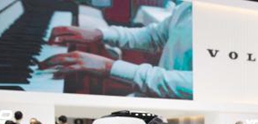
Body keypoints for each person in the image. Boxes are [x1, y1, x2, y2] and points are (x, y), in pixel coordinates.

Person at [41, 1, 193, 99]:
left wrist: (109, 66)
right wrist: (100, 34)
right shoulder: (189, 7)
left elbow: (193, 85)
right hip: (153, 97)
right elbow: (154, 36)